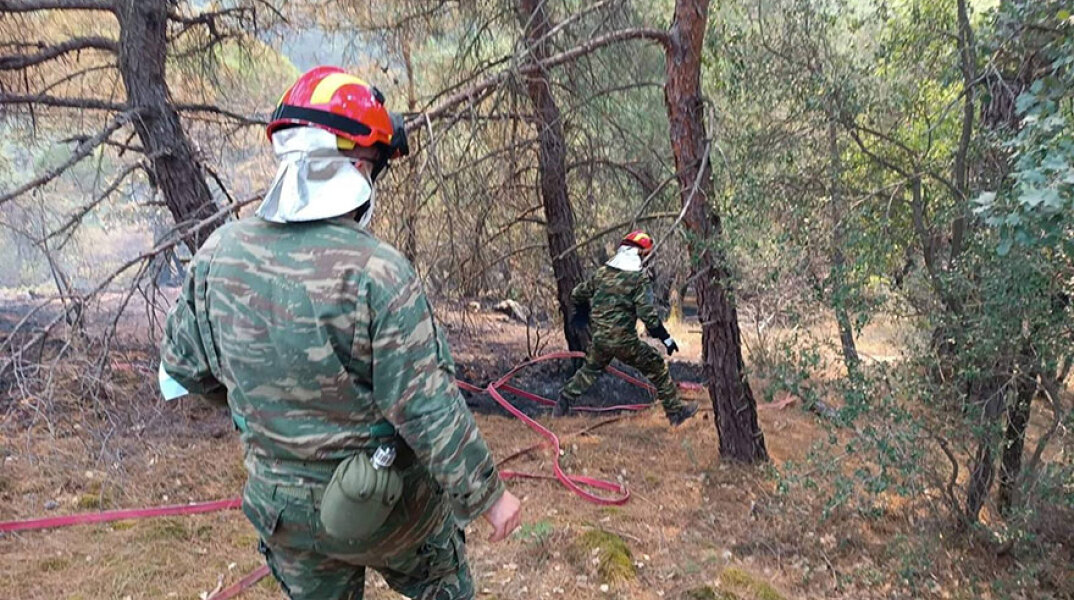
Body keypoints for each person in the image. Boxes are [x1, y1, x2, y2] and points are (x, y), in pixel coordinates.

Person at [158, 66, 521, 600]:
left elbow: (182, 371)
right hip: (390, 509)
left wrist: (270, 410)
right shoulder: (376, 271)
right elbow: (426, 406)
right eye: (373, 166)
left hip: (285, 515)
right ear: (355, 164)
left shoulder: (218, 255)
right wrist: (489, 497)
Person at [556, 230, 698, 426]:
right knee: (657, 364)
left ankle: (561, 404)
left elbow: (577, 294)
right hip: (625, 342)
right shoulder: (637, 279)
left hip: (600, 340)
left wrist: (582, 316)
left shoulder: (602, 273)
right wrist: (666, 339)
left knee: (589, 371)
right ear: (638, 253)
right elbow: (647, 315)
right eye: (645, 254)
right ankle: (675, 413)